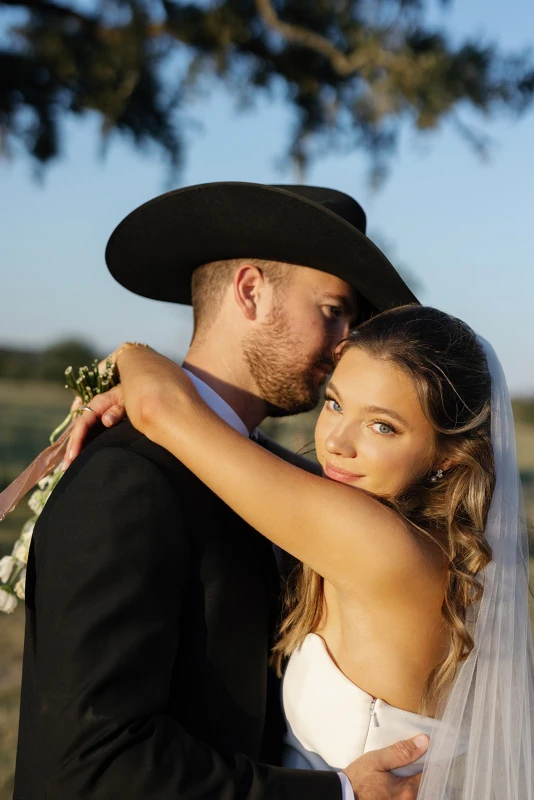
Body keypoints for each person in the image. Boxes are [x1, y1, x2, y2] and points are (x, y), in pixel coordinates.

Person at [14, 182, 428, 800]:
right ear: (251, 290)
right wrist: (336, 795)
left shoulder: (271, 479)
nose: (348, 342)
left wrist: (135, 362)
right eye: (334, 309)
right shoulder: (130, 477)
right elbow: (94, 764)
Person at [69, 303, 534, 799]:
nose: (337, 442)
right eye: (335, 404)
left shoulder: (379, 545)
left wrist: (130, 354)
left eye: (382, 426)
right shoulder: (423, 540)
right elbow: (257, 453)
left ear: (447, 454)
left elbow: (161, 410)